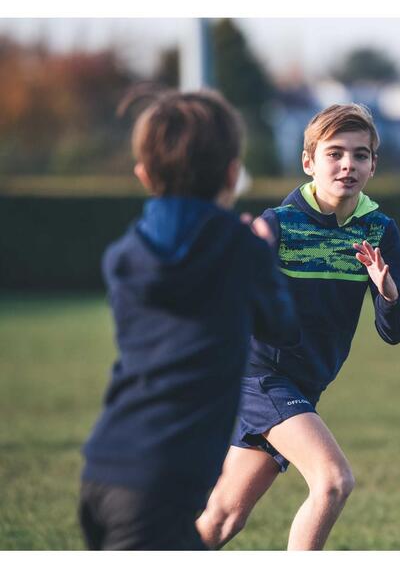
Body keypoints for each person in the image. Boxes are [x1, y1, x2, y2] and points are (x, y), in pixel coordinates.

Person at [79, 88, 299, 550]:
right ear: (233, 174)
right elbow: (282, 327)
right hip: (162, 482)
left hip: (103, 468)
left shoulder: (123, 255)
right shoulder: (241, 252)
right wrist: (258, 252)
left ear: (143, 174)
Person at [196, 103, 400, 550]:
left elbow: (395, 331)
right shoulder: (276, 225)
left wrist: (387, 291)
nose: (348, 165)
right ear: (308, 161)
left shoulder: (379, 230)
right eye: (334, 153)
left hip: (305, 384)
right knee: (333, 481)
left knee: (223, 519)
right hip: (261, 377)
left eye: (361, 154)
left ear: (373, 164)